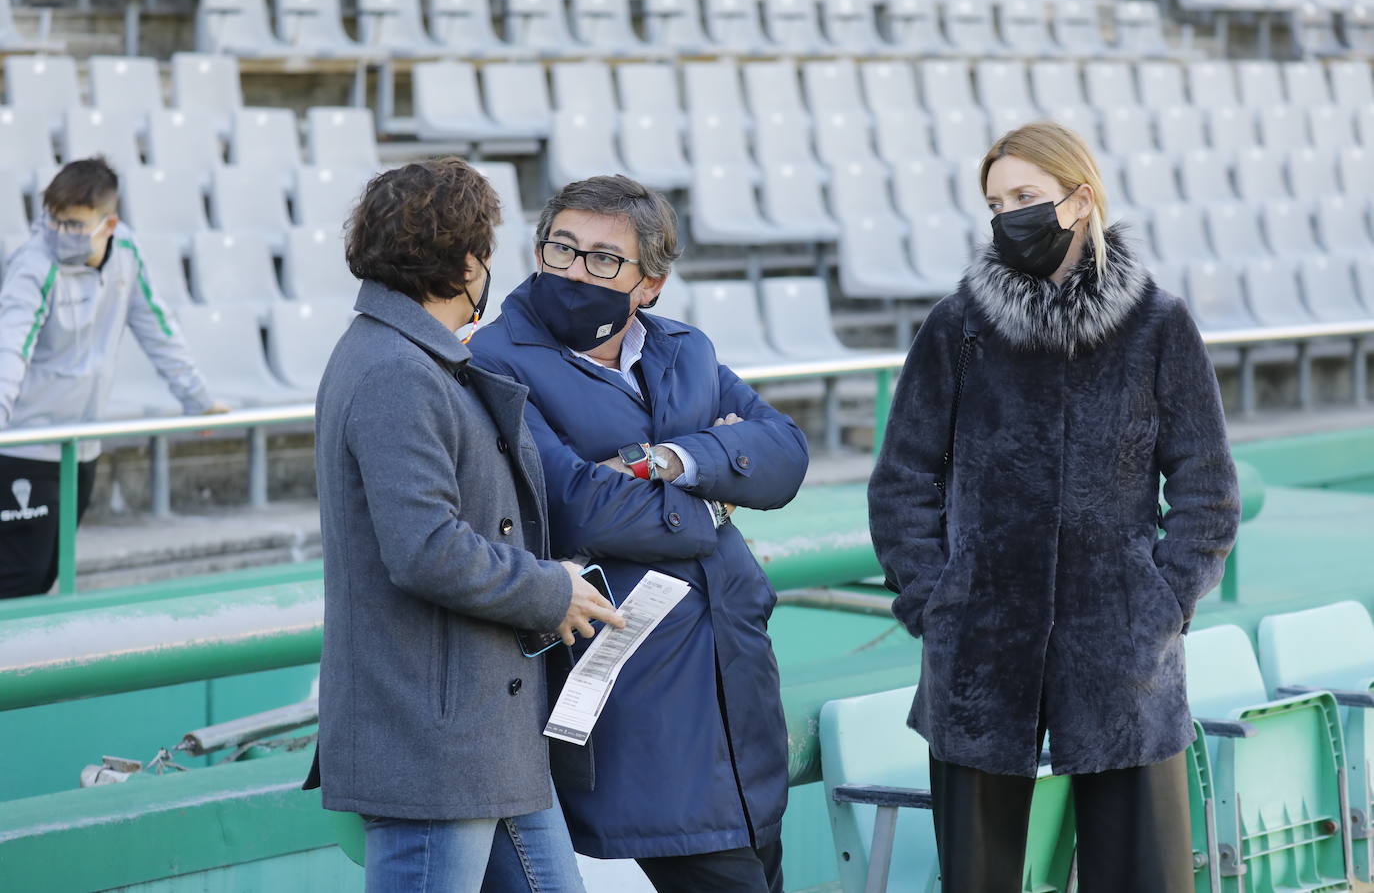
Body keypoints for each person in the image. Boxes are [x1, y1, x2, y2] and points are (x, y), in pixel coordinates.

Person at [868, 122, 1240, 892]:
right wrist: (935, 603)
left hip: (1125, 649)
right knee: (978, 879)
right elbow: (902, 480)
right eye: (996, 202)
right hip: (978, 646)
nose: (1009, 215)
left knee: (1146, 877)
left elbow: (1207, 486)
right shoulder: (957, 325)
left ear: (1079, 200)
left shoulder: (1159, 325)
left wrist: (1162, 604)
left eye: (1026, 197)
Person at [469, 174, 809, 893]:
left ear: (649, 284)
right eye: (562, 248)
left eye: (602, 259)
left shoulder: (686, 350)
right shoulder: (497, 360)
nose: (575, 270)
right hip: (636, 685)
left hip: (736, 677)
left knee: (761, 862)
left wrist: (668, 461)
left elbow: (784, 455)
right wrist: (715, 502)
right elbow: (577, 506)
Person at [306, 157, 625, 893]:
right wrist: (552, 592)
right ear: (465, 259)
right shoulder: (393, 368)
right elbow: (425, 548)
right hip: (432, 740)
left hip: (484, 736)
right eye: (485, 245)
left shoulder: (413, 357)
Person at [0, 157, 228, 599]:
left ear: (108, 224)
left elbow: (157, 328)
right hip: (25, 447)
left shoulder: (126, 253)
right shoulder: (32, 264)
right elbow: (11, 345)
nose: (59, 233)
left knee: (47, 574)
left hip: (83, 446)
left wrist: (197, 399)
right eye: (54, 220)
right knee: (18, 581)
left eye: (73, 224)